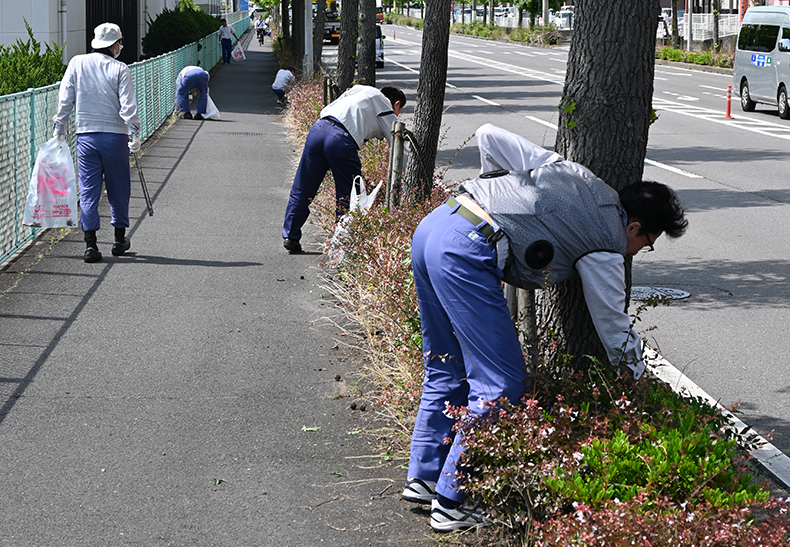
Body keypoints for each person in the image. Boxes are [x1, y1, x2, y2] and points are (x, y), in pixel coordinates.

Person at [402, 124, 688, 532]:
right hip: (468, 248)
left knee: (446, 365)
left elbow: (488, 136)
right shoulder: (606, 242)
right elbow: (612, 324)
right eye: (647, 243)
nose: (637, 252)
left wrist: (504, 193)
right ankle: (451, 500)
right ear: (635, 227)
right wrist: (636, 379)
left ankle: (425, 476)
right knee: (501, 383)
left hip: (436, 224)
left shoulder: (570, 172)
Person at [52, 22, 141, 263]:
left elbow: (65, 98)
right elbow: (128, 105)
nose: (120, 46)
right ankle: (119, 240)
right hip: (115, 137)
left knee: (89, 191)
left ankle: (90, 245)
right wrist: (134, 132)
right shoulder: (121, 68)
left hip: (86, 137)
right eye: (120, 42)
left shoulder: (76, 63)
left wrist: (59, 127)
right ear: (114, 44)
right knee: (118, 188)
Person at [281, 85, 406, 254]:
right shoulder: (384, 104)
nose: (397, 115)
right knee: (349, 193)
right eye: (399, 111)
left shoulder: (360, 90)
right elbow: (397, 144)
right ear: (396, 104)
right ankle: (341, 243)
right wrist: (411, 172)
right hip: (341, 139)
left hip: (318, 129)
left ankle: (290, 235)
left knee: (303, 185)